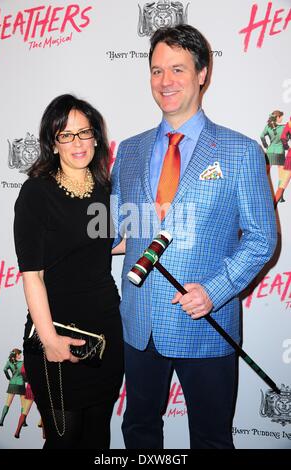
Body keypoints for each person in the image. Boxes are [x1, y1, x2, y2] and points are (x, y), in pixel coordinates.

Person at [111, 24, 277, 449]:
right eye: (156, 70)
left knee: (211, 439)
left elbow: (261, 238)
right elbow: (112, 229)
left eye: (178, 69)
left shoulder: (241, 152)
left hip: (206, 322)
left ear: (203, 73)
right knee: (139, 431)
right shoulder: (128, 151)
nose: (165, 81)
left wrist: (215, 290)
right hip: (139, 325)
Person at [14, 94, 124, 449]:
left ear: (96, 137)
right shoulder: (36, 193)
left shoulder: (105, 190)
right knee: (64, 441)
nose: (77, 142)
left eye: (84, 132)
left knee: (97, 440)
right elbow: (32, 274)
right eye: (66, 134)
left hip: (106, 337)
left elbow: (101, 245)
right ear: (53, 141)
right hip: (57, 337)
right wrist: (49, 340)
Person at [260, 110, 288, 206]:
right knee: (281, 178)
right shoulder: (284, 127)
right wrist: (286, 145)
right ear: (277, 117)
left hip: (270, 151)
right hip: (280, 152)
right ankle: (277, 200)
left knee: (264, 173)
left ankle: (259, 192)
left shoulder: (268, 127)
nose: (282, 119)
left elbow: (261, 135)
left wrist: (266, 145)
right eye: (281, 117)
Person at [0, 348, 26, 427]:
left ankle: (1, 420)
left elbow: (4, 370)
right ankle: (23, 422)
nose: (20, 355)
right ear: (16, 355)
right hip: (20, 384)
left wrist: (9, 378)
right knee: (24, 405)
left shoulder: (9, 362)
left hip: (12, 384)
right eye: (19, 354)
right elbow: (25, 373)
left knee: (7, 403)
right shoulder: (23, 363)